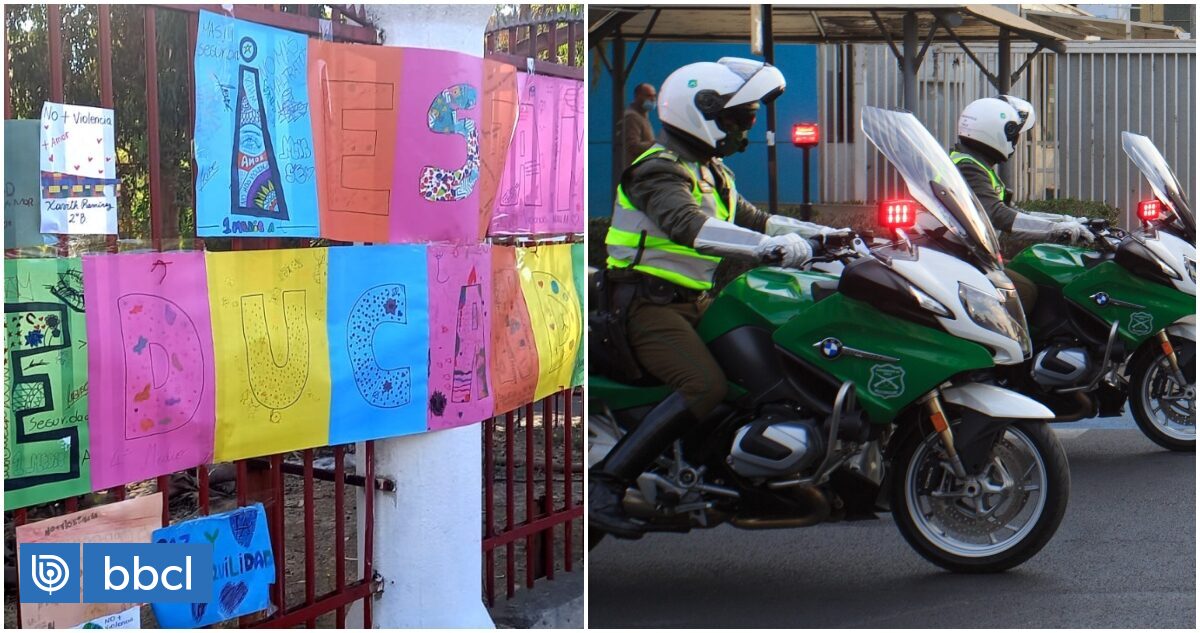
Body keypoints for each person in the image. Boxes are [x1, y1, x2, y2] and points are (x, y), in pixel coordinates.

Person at [592, 58, 850, 538]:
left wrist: (829, 235)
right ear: (701, 112)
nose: (743, 127)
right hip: (646, 308)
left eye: (747, 117)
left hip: (694, 303)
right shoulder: (656, 170)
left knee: (761, 363)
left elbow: (759, 221)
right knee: (704, 385)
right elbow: (690, 226)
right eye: (738, 117)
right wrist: (771, 249)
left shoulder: (712, 172)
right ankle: (605, 482)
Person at [950, 95, 1093, 311]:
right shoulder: (969, 168)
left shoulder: (971, 163)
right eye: (1014, 135)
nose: (1016, 142)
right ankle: (1016, 345)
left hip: (969, 256)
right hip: (964, 258)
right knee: (1025, 292)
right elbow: (997, 215)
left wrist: (1065, 220)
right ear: (998, 132)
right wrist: (1055, 229)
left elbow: (1010, 212)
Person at [622, 83, 658, 168]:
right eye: (648, 96)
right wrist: (657, 144)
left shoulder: (643, 116)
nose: (653, 99)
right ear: (637, 96)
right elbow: (633, 146)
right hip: (635, 172)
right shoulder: (632, 117)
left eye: (654, 96)